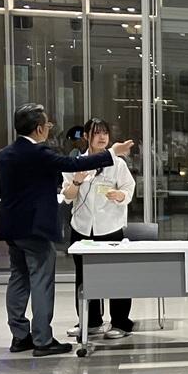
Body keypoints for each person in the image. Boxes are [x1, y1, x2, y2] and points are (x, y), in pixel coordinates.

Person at [0, 103, 134, 357]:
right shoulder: (39, 152)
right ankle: (43, 340)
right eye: (47, 125)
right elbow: (71, 164)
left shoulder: (5, 154)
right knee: (41, 281)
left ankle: (20, 336)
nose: (48, 129)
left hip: (12, 228)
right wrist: (112, 152)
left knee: (18, 279)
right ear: (39, 129)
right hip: (36, 229)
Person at [62, 118, 136, 341]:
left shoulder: (117, 163)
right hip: (83, 228)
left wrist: (120, 195)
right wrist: (76, 182)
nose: (102, 137)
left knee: (117, 275)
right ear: (86, 136)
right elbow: (67, 197)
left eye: (105, 133)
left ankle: (120, 321)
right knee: (83, 276)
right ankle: (90, 321)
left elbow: (129, 188)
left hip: (110, 227)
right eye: (97, 133)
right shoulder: (76, 163)